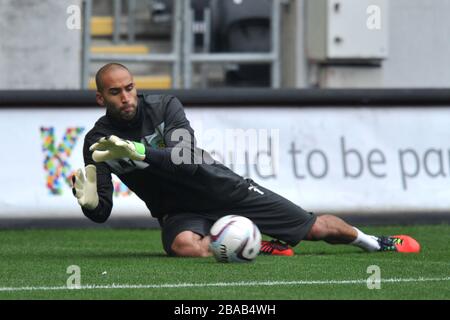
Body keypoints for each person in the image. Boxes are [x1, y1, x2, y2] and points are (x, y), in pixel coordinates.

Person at [72, 63, 421, 257]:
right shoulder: (97, 142)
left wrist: (139, 151)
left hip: (221, 188)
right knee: (183, 247)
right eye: (115, 92)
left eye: (129, 87)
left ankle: (377, 242)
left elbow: (188, 160)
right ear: (101, 98)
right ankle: (252, 243)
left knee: (316, 228)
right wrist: (87, 202)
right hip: (178, 212)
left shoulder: (164, 107)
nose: (126, 97)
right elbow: (101, 212)